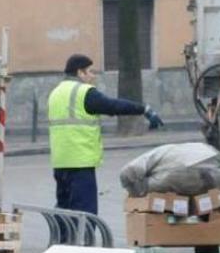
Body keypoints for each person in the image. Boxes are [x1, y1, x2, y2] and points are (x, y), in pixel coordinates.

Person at [48, 54, 163, 242]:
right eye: (90, 71)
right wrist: (144, 109)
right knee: (85, 211)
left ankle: (62, 246)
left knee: (64, 208)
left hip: (60, 161)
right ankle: (83, 248)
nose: (92, 75)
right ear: (80, 72)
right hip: (80, 162)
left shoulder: (56, 92)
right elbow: (112, 106)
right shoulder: (83, 92)